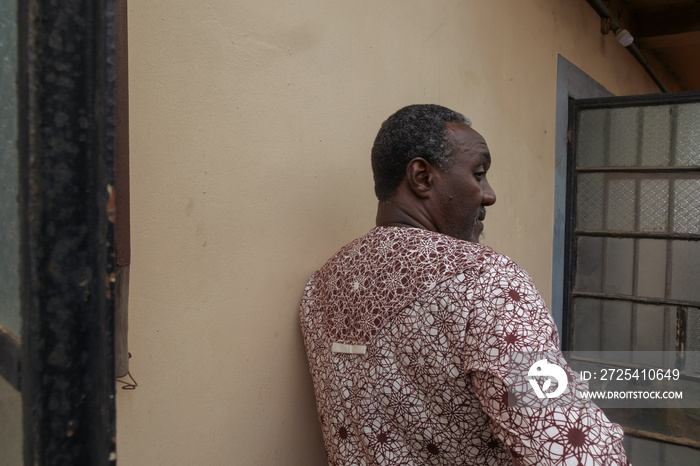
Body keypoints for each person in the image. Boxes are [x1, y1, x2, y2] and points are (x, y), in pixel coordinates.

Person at [299, 104, 629, 465]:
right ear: (421, 177)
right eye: (479, 173)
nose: (489, 194)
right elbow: (571, 447)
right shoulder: (487, 281)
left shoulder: (320, 288)